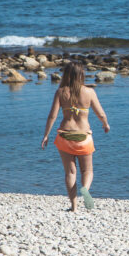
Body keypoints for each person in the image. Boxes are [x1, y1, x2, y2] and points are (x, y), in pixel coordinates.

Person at [41, 61, 110, 211]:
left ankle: (74, 206)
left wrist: (46, 135)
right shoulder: (90, 92)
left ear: (66, 75)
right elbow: (101, 113)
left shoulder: (61, 92)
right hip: (83, 137)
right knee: (87, 170)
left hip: (65, 136)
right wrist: (105, 124)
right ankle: (85, 188)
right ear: (82, 75)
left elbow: (52, 116)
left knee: (70, 172)